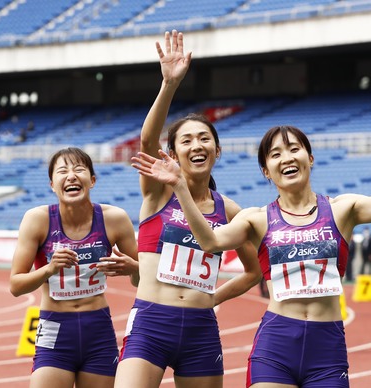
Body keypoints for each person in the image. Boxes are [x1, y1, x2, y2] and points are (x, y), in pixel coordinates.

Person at [132, 95, 371, 387]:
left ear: (309, 158)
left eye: (294, 148)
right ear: (266, 171)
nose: (287, 157)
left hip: (328, 348)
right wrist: (181, 187)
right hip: (276, 345)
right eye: (275, 153)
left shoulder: (343, 209)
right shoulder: (256, 219)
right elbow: (212, 242)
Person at [114, 30, 262, 388]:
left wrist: (214, 298)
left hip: (201, 330)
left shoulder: (230, 210)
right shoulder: (158, 193)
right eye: (186, 140)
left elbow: (254, 271)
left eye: (204, 138)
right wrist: (169, 85)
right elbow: (147, 141)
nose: (197, 145)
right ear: (174, 153)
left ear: (216, 150)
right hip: (151, 322)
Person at [9, 147, 139, 388]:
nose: (71, 176)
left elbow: (144, 281)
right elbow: (16, 285)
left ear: (92, 180)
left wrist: (134, 267)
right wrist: (48, 269)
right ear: (52, 184)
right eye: (62, 171)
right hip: (54, 327)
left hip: (98, 329)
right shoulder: (37, 219)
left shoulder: (115, 219)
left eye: (79, 169)